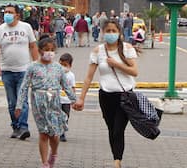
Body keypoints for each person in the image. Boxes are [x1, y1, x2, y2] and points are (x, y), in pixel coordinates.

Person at [74, 19, 138, 168]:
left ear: (119, 33)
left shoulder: (127, 49)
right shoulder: (98, 51)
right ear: (102, 33)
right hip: (106, 96)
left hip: (125, 97)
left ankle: (117, 162)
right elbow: (89, 76)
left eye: (113, 31)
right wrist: (81, 98)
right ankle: (117, 158)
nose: (110, 34)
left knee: (118, 129)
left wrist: (117, 64)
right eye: (108, 31)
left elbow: (134, 72)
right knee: (111, 128)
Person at [16, 36, 76, 168]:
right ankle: (45, 163)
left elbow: (66, 86)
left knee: (54, 133)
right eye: (46, 49)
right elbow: (24, 86)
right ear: (40, 50)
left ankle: (53, 153)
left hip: (54, 103)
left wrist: (74, 100)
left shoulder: (58, 68)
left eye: (52, 50)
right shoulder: (32, 67)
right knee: (43, 133)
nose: (49, 52)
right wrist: (19, 105)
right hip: (38, 103)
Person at [0, 4, 39, 140]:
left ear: (17, 15)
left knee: (22, 100)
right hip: (6, 71)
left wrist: (36, 64)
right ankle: (16, 126)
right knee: (12, 102)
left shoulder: (26, 27)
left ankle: (24, 127)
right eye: (5, 12)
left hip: (24, 70)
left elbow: (33, 46)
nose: (7, 14)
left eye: (10, 12)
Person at [58, 53, 76, 142]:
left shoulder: (71, 75)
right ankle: (58, 133)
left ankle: (62, 131)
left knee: (66, 116)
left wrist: (73, 100)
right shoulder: (56, 73)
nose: (63, 67)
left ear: (70, 66)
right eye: (61, 65)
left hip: (66, 101)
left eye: (65, 65)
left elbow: (73, 87)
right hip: (57, 99)